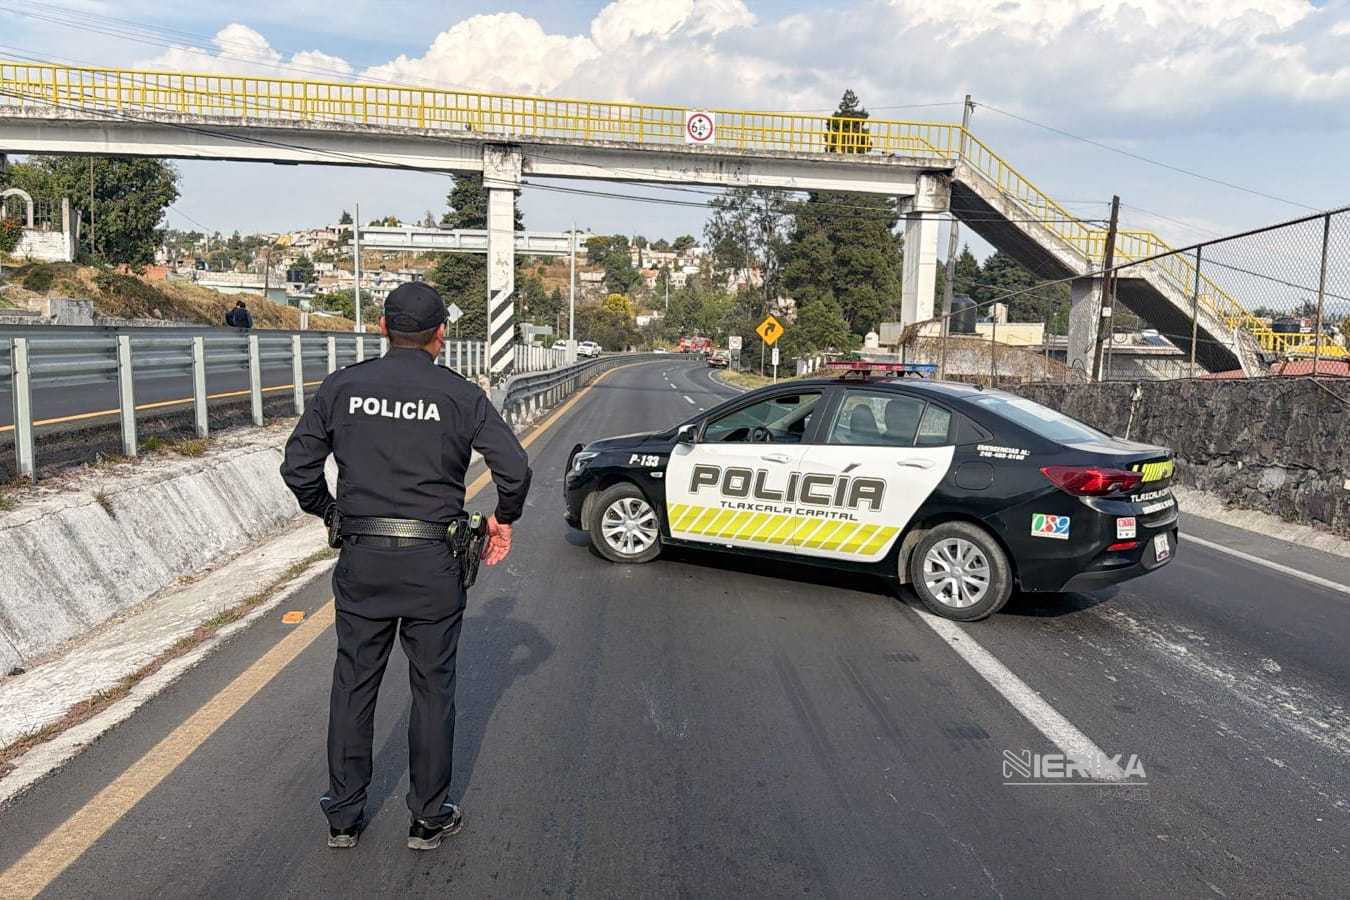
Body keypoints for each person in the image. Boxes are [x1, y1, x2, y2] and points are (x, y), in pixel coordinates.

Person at [279, 282, 531, 852]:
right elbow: (513, 468)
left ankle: (343, 815)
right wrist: (502, 518)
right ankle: (427, 816)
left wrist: (332, 513)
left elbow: (298, 467)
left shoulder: (344, 387)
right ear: (442, 334)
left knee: (354, 682)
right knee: (433, 687)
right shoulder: (460, 395)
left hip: (363, 558)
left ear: (381, 326)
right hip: (432, 565)